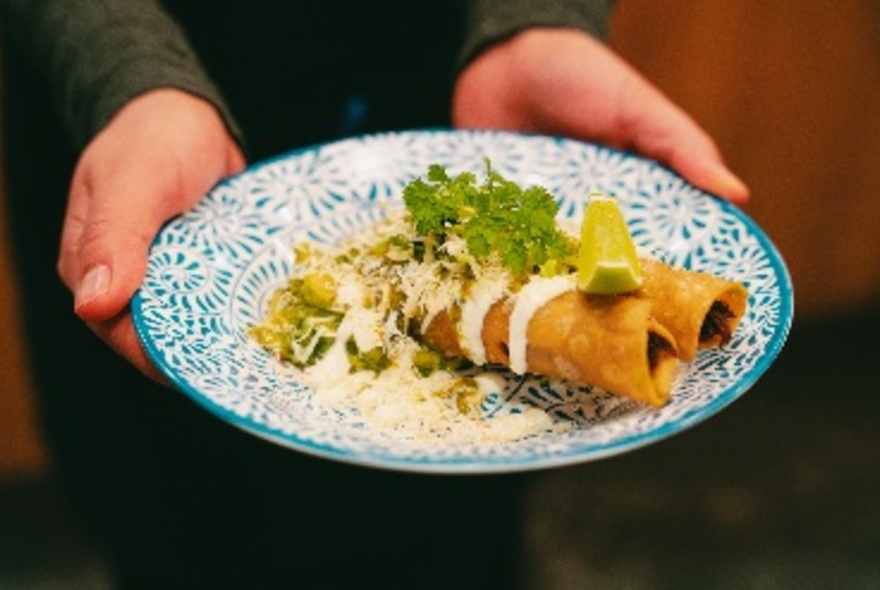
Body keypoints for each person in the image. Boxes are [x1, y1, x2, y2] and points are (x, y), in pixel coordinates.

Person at [0, 1, 749, 588]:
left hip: (449, 87)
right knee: (179, 526)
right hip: (151, 151)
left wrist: (536, 17)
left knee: (456, 540)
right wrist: (125, 73)